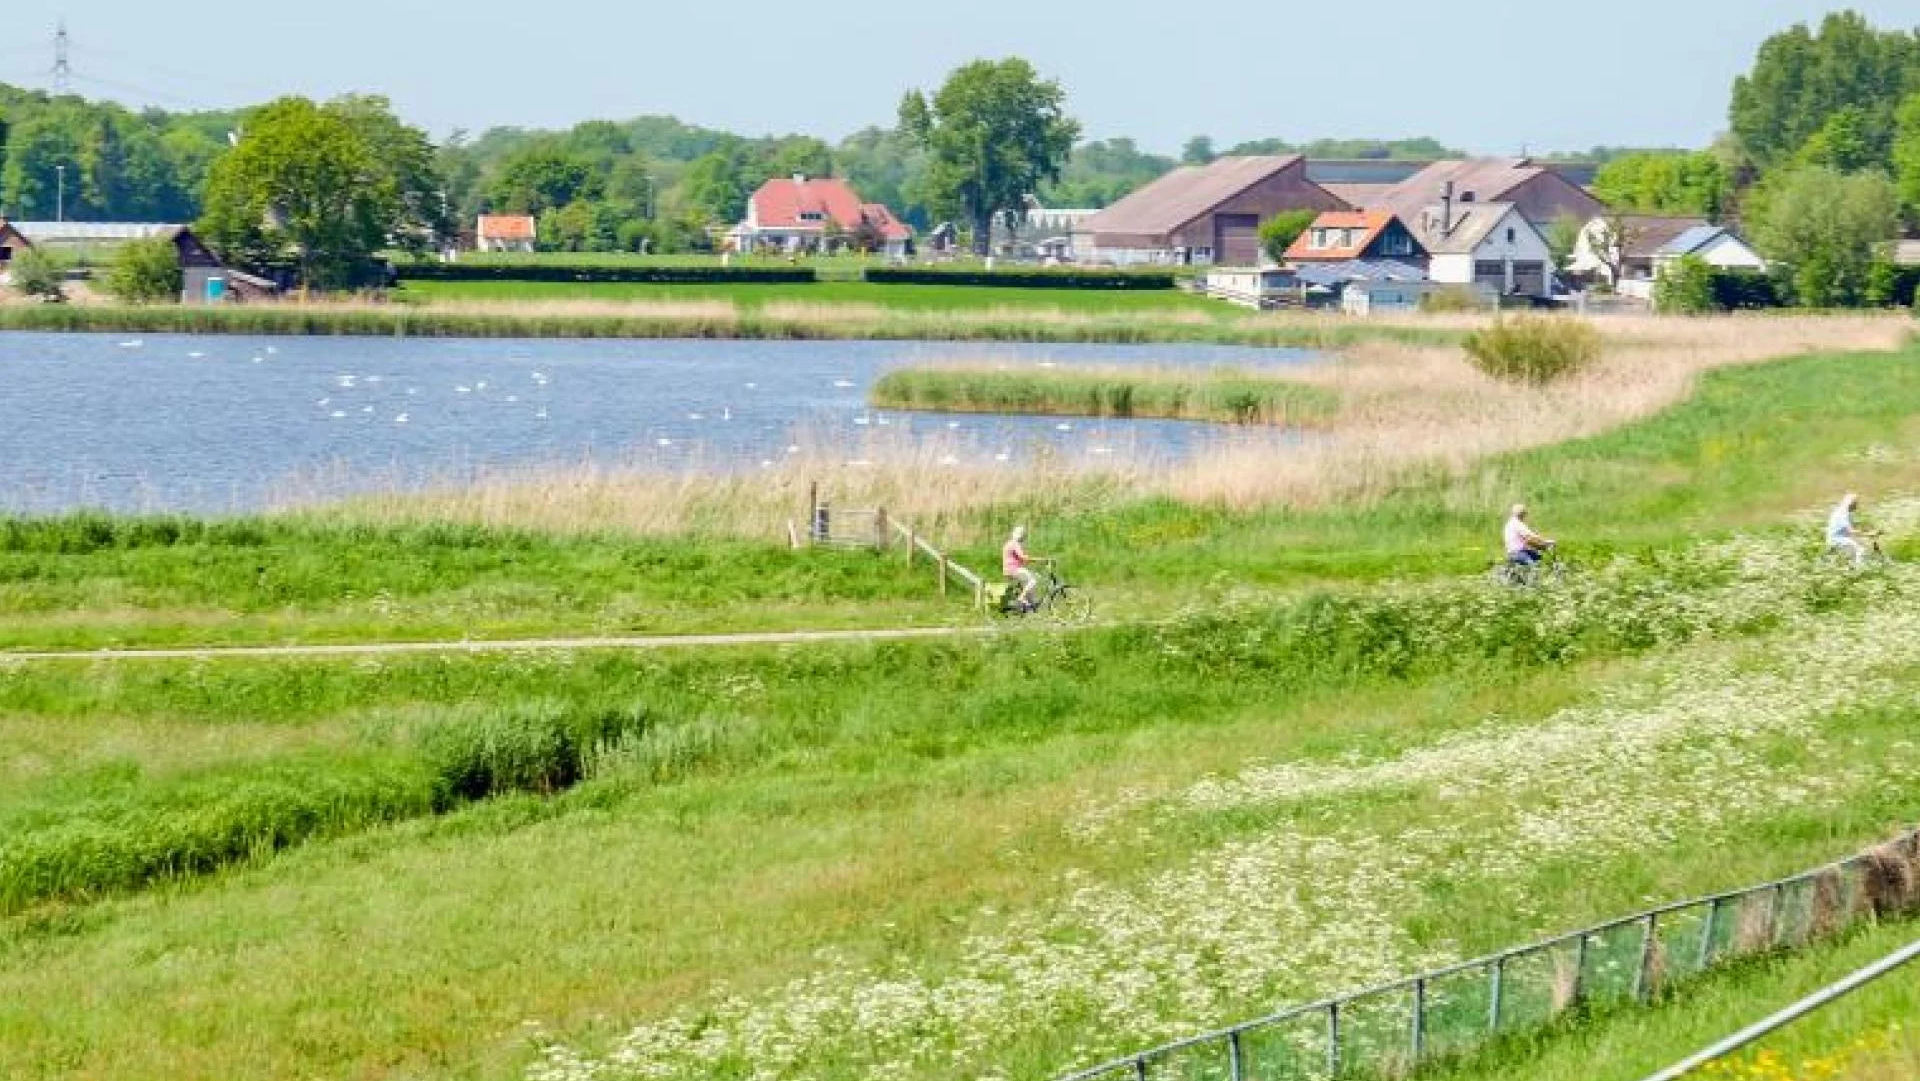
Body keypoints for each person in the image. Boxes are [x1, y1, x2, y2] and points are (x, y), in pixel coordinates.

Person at [1827, 492, 1876, 567]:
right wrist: (1868, 534)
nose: (1856, 505)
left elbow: (1853, 526)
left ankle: (1852, 566)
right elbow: (1851, 531)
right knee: (1861, 549)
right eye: (1855, 503)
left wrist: (1867, 529)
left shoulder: (1845, 512)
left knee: (1859, 547)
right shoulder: (1842, 514)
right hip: (1837, 539)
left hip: (1843, 538)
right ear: (1850, 504)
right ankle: (1860, 569)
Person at [1003, 525, 1042, 611]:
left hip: (1007, 570)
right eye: (1024, 536)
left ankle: (1031, 604)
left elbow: (1018, 558)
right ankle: (1021, 598)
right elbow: (1022, 557)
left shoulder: (1008, 543)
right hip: (1014, 569)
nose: (1024, 539)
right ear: (1021, 535)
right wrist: (1039, 560)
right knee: (1033, 580)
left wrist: (1028, 561)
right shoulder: (1015, 544)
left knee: (1027, 583)